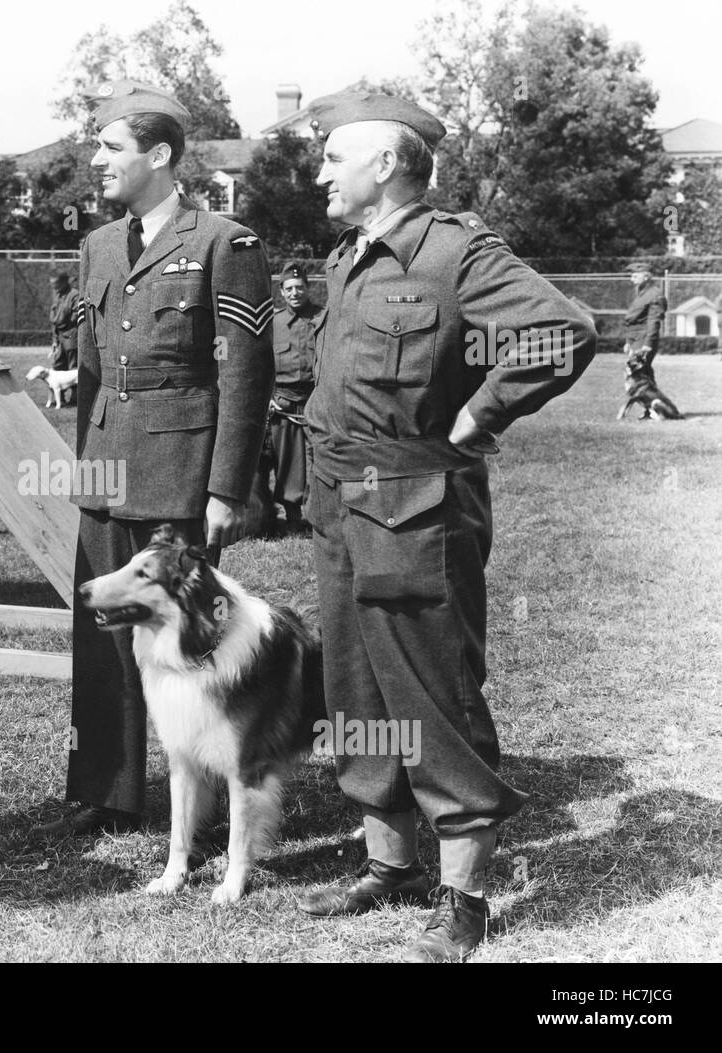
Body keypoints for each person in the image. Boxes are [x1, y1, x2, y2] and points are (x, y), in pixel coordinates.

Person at [297, 92, 597, 962]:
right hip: (339, 504)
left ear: (385, 166)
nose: (321, 172)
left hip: (417, 508)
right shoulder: (349, 256)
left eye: (334, 159)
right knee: (355, 687)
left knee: (434, 693)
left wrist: (477, 419)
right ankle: (388, 865)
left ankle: (462, 897)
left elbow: (563, 329)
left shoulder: (456, 250)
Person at [34, 79, 274, 841]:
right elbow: (99, 363)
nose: (94, 161)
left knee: (187, 643)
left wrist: (227, 487)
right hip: (106, 466)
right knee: (103, 630)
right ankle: (105, 789)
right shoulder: (98, 245)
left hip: (180, 470)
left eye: (110, 147)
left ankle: (201, 794)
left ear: (160, 154)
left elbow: (244, 372)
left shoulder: (223, 242)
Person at [267, 264, 322, 529]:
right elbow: (260, 364)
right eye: (289, 288)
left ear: (308, 288)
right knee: (287, 460)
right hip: (284, 401)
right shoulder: (273, 323)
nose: (295, 293)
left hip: (316, 400)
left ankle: (319, 512)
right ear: (281, 291)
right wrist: (268, 396)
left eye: (300, 287)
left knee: (320, 458)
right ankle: (292, 515)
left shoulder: (323, 318)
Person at [623, 262, 667, 375]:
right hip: (635, 338)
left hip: (643, 339)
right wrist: (628, 341)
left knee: (638, 374)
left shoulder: (655, 294)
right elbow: (632, 321)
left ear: (646, 277)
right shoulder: (641, 293)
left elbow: (653, 321)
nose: (632, 279)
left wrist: (647, 344)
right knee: (641, 374)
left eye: (635, 276)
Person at [49, 271, 80, 375]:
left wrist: (68, 322)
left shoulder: (74, 295)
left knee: (73, 371)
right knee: (57, 368)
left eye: (56, 284)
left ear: (64, 282)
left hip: (71, 338)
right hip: (60, 339)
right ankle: (56, 392)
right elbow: (55, 321)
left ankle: (75, 392)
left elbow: (76, 315)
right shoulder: (57, 296)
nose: (54, 287)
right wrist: (54, 340)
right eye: (52, 284)